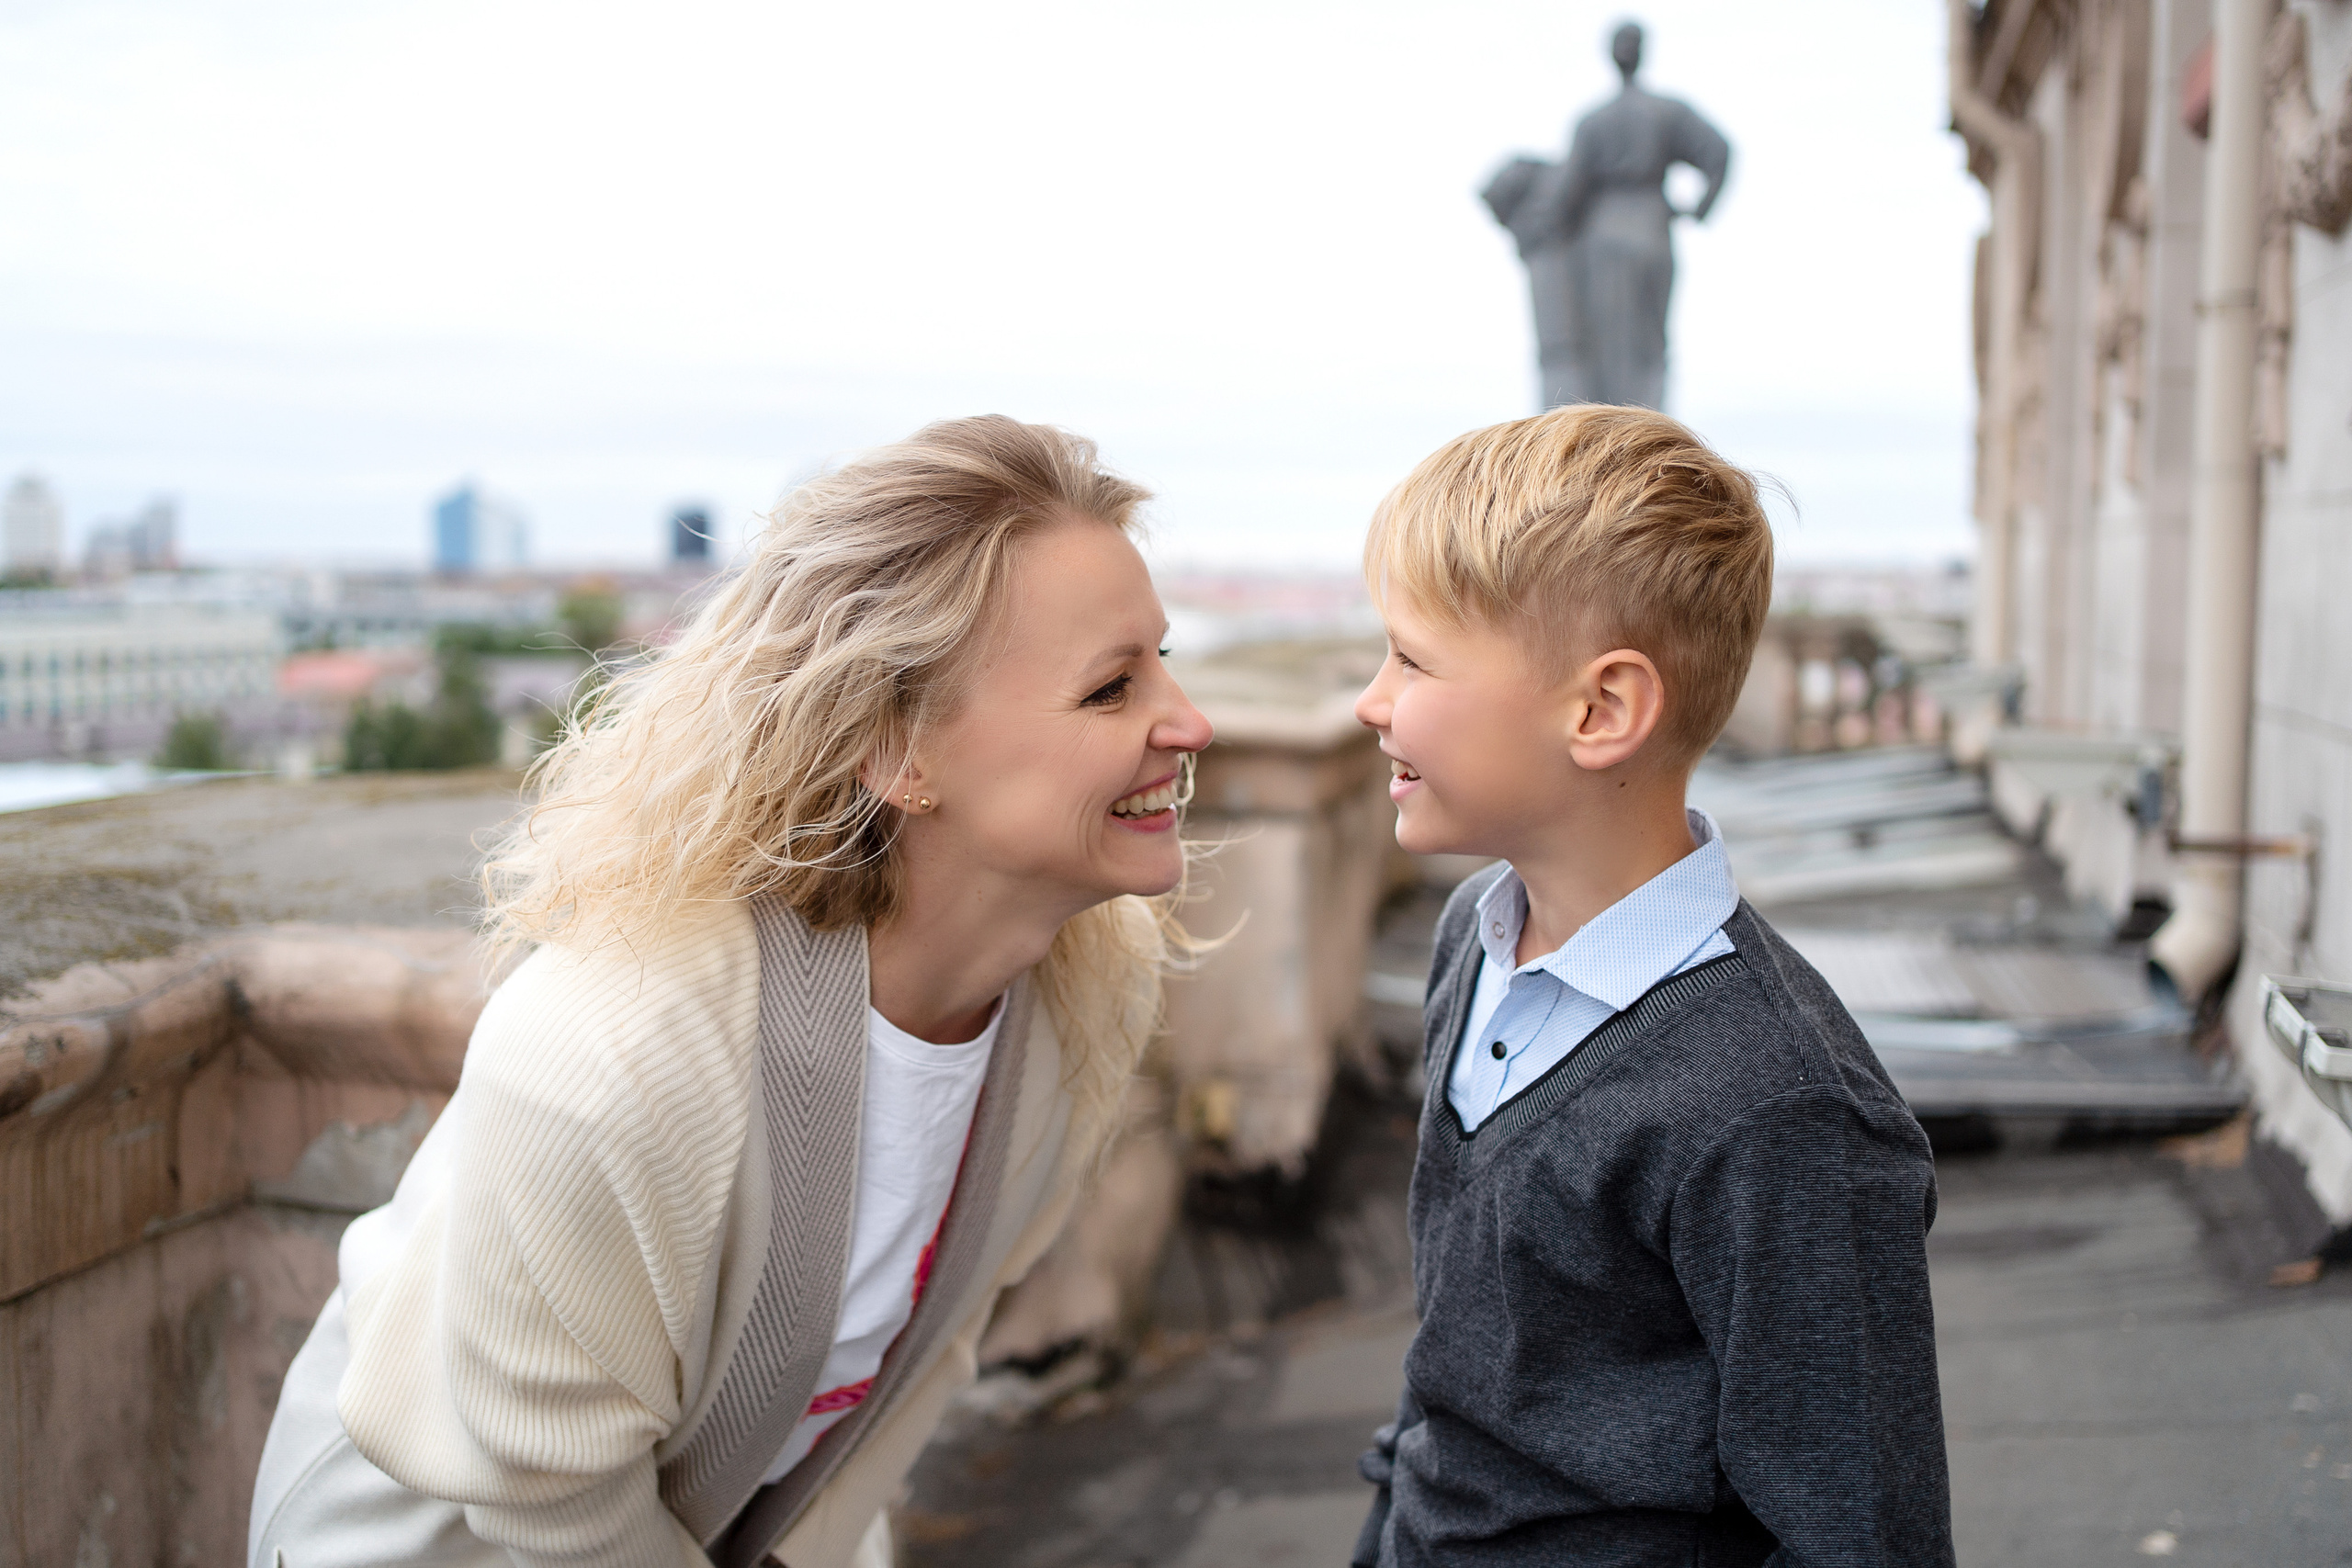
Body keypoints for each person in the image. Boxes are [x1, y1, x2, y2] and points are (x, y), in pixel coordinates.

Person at [248, 416, 1215, 1568]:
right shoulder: (606, 1052)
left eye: (1161, 657)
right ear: (899, 753)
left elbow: (910, 1373)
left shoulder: (1083, 992)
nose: (1188, 720)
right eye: (1111, 687)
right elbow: (549, 1499)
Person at [1347, 405, 1953, 1566]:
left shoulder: (1777, 1107)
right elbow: (1460, 1374)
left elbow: (1863, 1532)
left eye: (1411, 658)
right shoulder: (1474, 933)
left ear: (1600, 711)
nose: (1372, 701)